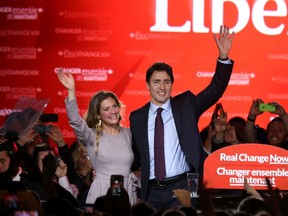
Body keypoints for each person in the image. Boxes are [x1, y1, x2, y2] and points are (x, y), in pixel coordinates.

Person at [129, 25, 235, 211]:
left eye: (166, 81)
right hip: (150, 191)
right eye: (156, 82)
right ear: (147, 85)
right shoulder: (137, 117)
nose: (162, 87)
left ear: (172, 84)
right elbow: (136, 153)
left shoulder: (186, 105)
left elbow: (214, 90)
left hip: (185, 186)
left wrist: (223, 58)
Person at [57, 70, 138, 206]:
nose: (112, 112)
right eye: (106, 109)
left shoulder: (130, 133)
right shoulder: (92, 136)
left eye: (114, 106)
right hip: (102, 193)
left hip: (128, 193)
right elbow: (76, 121)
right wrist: (71, 91)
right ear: (98, 115)